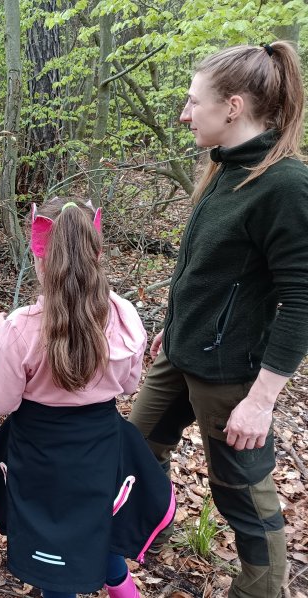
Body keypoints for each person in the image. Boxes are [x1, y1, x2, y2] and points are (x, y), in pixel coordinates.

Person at [128, 41, 308, 598]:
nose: (185, 114)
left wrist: (260, 400)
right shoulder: (224, 168)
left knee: (242, 495)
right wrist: (176, 321)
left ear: (232, 107)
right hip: (180, 353)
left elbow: (301, 299)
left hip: (231, 375)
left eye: (193, 101)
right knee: (136, 447)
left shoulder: (284, 185)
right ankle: (145, 531)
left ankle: (262, 590)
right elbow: (211, 270)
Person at [0, 199, 175, 598]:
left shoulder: (20, 328)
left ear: (39, 261)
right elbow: (129, 385)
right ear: (96, 254)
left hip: (41, 457)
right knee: (96, 523)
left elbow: (1, 402)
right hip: (100, 451)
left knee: (56, 550)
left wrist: (0, 347)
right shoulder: (125, 316)